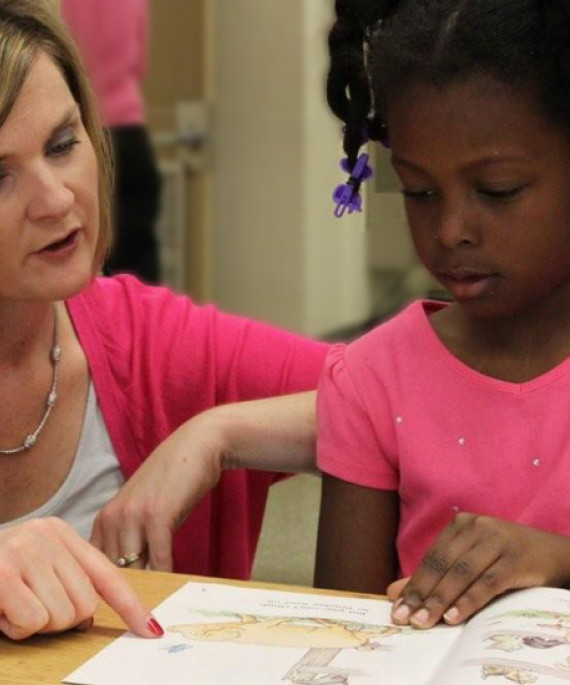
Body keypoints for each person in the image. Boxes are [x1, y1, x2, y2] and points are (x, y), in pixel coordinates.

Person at [0, 0, 328, 640]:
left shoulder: (152, 342)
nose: (58, 199)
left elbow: (407, 397)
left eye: (63, 145)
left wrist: (218, 432)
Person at [314, 0, 570, 630]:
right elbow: (343, 628)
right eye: (420, 191)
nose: (450, 230)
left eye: (499, 190)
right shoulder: (371, 379)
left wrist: (559, 562)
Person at [60, 0, 161, 282]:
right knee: (139, 272)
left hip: (92, 131)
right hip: (130, 134)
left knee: (92, 267)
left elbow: (66, 63)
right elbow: (139, 64)